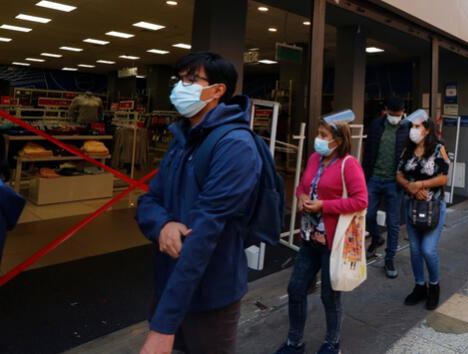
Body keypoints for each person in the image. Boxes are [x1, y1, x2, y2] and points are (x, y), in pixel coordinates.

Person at [136, 52, 262, 354]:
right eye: (181, 79)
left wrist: (163, 326)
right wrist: (163, 225)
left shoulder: (235, 146)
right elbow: (148, 199)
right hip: (170, 282)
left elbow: (205, 232)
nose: (182, 86)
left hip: (212, 294)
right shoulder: (183, 137)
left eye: (192, 79)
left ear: (218, 90)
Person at [275, 110, 367, 354]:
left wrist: (324, 205)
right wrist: (301, 196)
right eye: (318, 133)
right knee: (295, 289)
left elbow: (361, 200)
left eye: (323, 134)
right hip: (308, 238)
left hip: (332, 241)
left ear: (337, 140)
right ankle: (294, 342)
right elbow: (302, 187)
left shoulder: (349, 164)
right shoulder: (315, 158)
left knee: (330, 296)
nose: (318, 138)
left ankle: (332, 343)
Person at [397, 110, 449, 310]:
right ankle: (420, 286)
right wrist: (409, 186)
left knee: (428, 249)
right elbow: (399, 174)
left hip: (433, 207)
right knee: (414, 250)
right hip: (411, 206)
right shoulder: (407, 150)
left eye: (417, 126)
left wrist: (420, 185)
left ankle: (434, 285)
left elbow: (444, 177)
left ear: (427, 130)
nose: (413, 130)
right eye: (412, 126)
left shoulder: (438, 148)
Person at [362, 96, 410, 277]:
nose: (395, 117)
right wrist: (363, 176)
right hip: (373, 178)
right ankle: (376, 237)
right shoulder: (376, 124)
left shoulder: (407, 128)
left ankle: (389, 258)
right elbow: (368, 152)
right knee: (367, 214)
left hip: (394, 182)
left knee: (393, 222)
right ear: (386, 111)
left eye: (398, 114)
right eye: (392, 114)